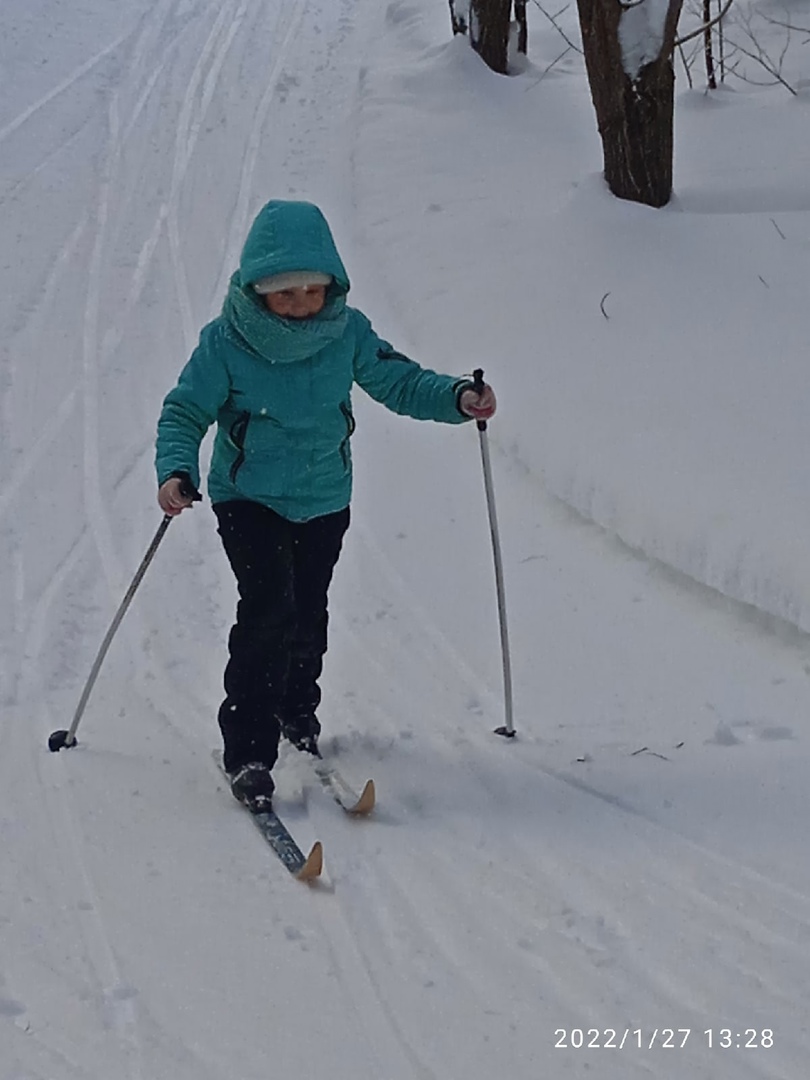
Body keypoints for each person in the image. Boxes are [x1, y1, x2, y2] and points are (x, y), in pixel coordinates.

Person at [155, 199, 496, 812]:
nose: (300, 304)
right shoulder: (227, 342)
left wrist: (456, 397)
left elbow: (399, 380)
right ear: (259, 289)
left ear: (331, 284)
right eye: (285, 294)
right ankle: (249, 750)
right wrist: (174, 471)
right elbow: (184, 410)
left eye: (312, 291)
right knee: (268, 610)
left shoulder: (348, 331)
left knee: (308, 608)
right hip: (248, 496)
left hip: (323, 496)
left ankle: (295, 709)